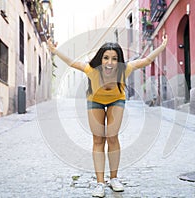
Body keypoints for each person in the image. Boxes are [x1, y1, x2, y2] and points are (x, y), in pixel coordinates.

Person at [47, 30, 168, 197]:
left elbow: (147, 60)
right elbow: (71, 62)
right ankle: (100, 183)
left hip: (116, 100)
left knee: (112, 137)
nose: (110, 63)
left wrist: (162, 46)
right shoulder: (91, 69)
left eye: (114, 58)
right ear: (100, 59)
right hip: (94, 101)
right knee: (98, 139)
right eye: (106, 58)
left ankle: (114, 178)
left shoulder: (126, 69)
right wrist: (54, 51)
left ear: (119, 61)